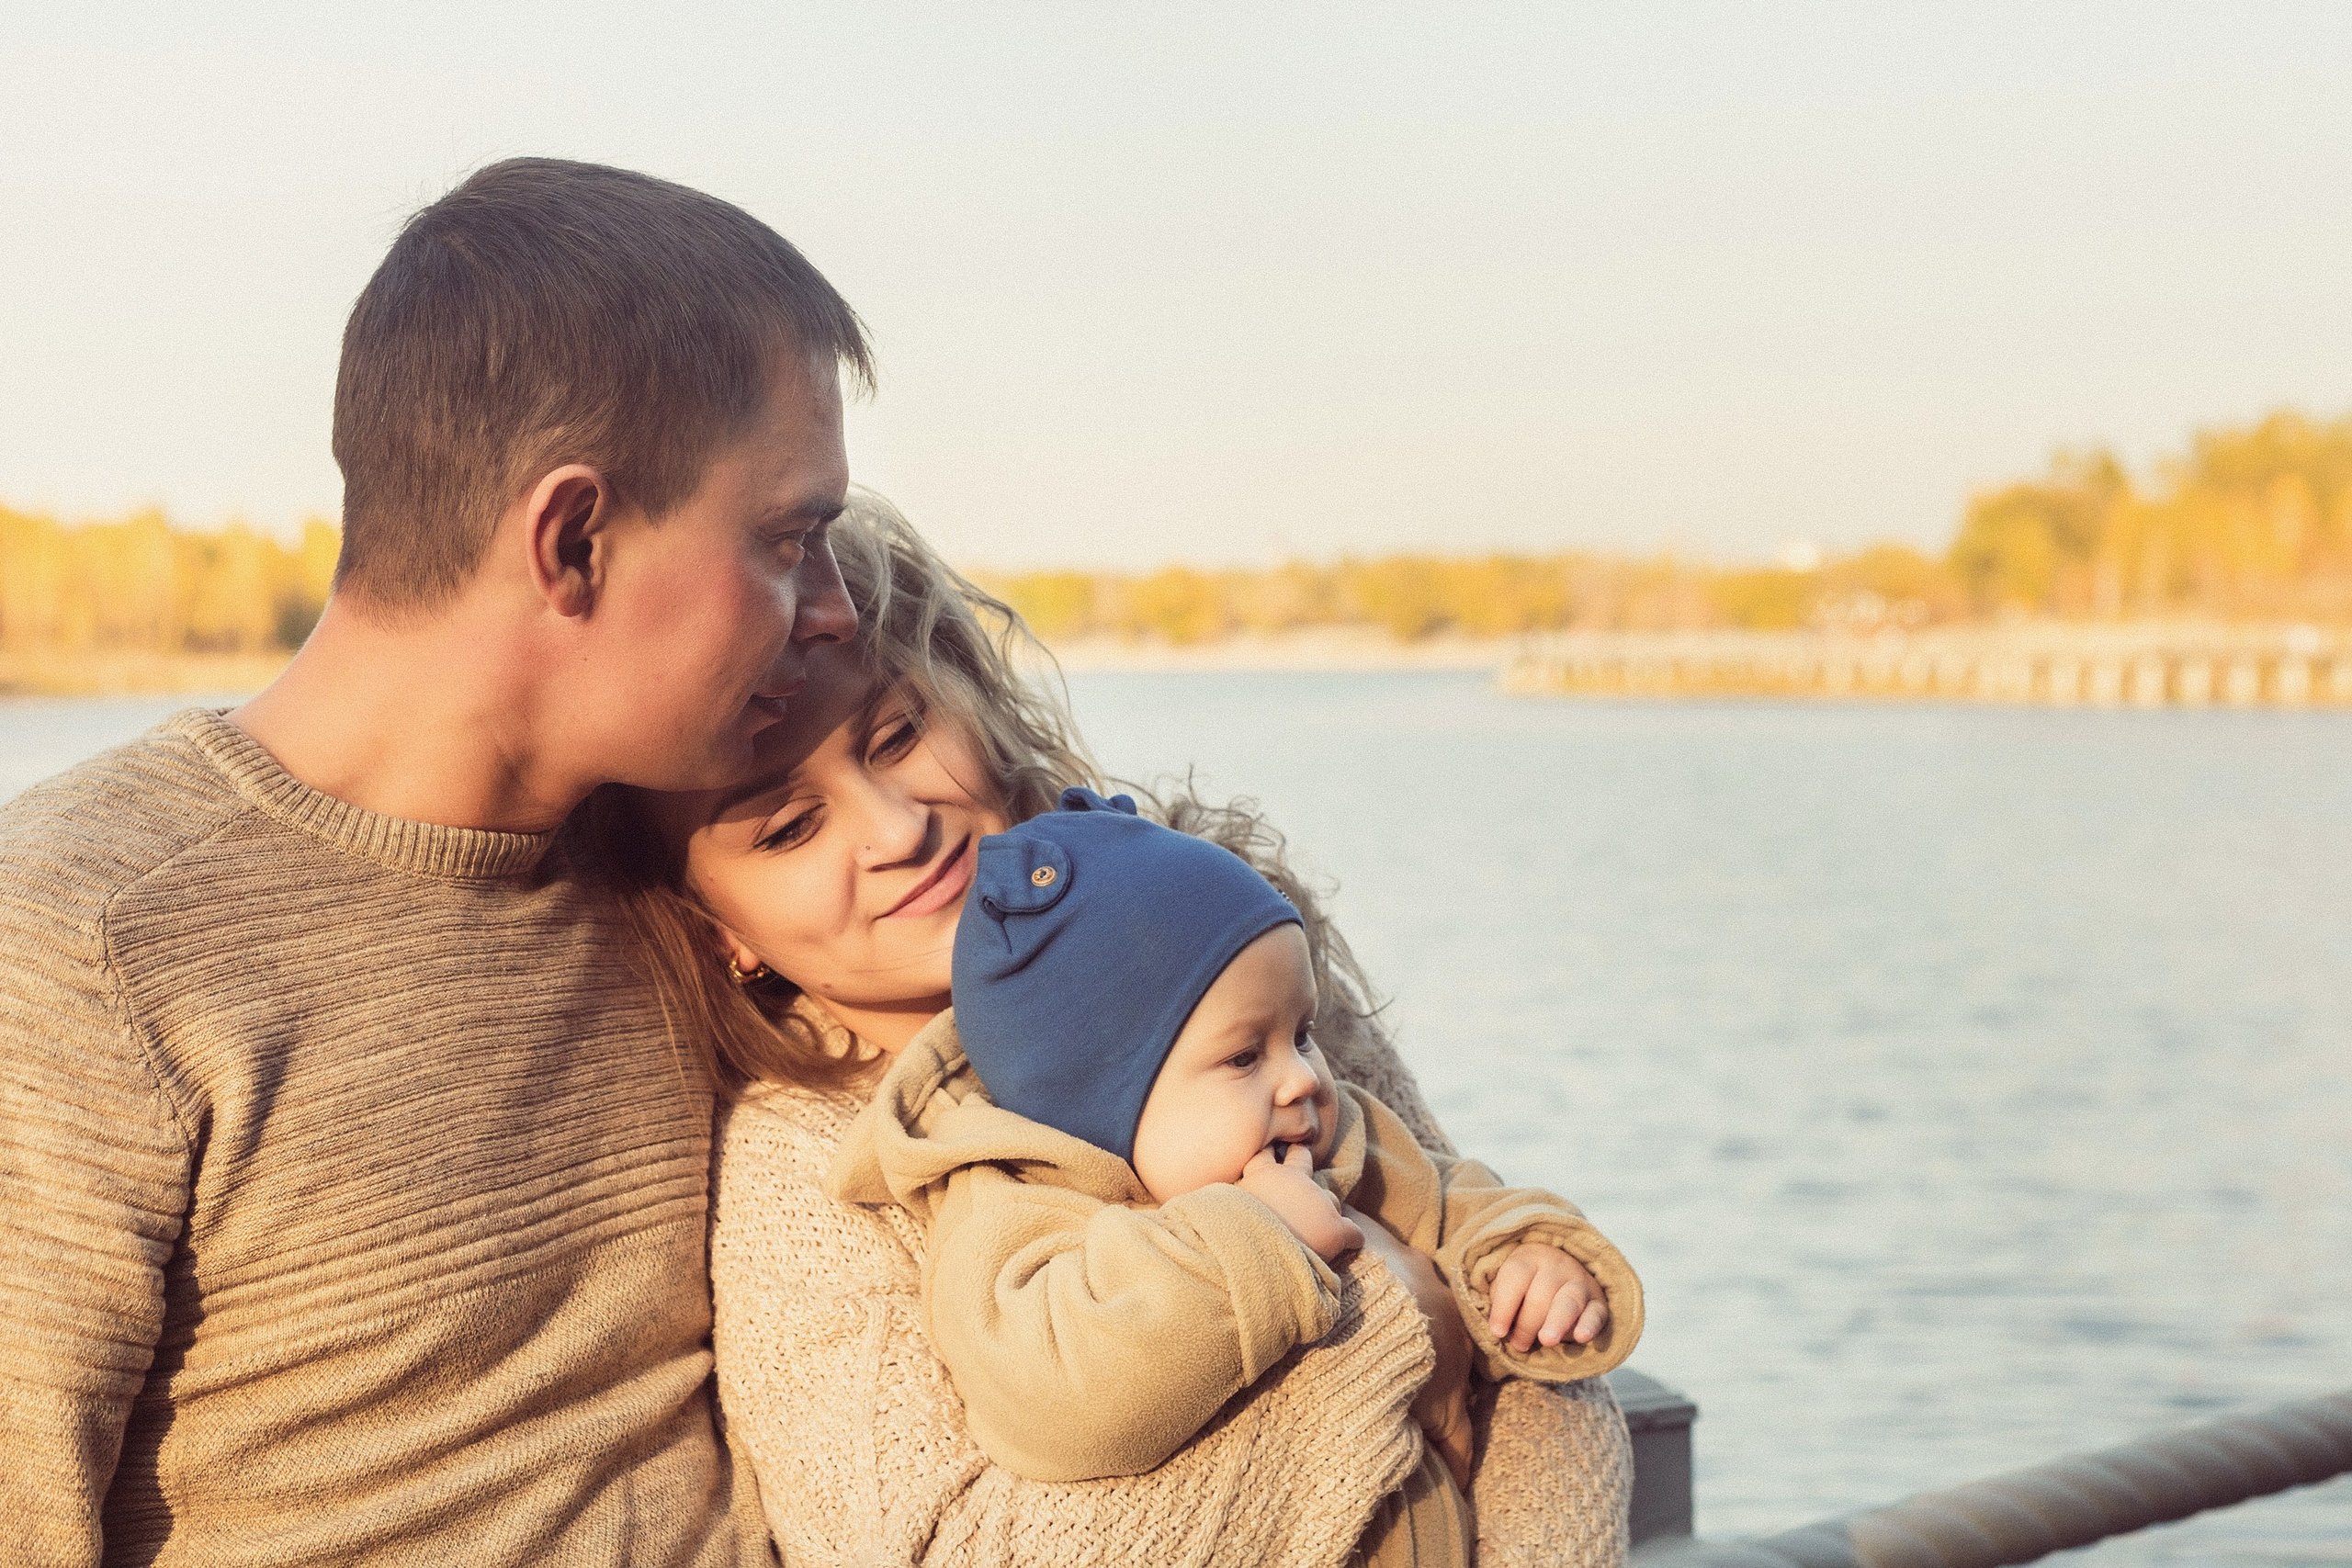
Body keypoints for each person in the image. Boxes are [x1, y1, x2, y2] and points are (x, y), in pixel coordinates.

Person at [0, 158, 865, 1565]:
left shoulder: (697, 860)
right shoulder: (82, 945)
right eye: (790, 538)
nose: (831, 611)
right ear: (572, 539)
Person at [587, 495, 1637, 1567]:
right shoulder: (806, 1180)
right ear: (723, 930)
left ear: (967, 698)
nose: (900, 828)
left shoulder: (1227, 940)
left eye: (899, 735)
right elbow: (955, 1554)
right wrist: (1393, 1315)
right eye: (791, 828)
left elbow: (1539, 1353)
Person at [831, 787, 1646, 1564]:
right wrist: (1257, 1238)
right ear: (1098, 1097)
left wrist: (1530, 1259)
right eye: (1244, 1054)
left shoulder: (1334, 1142)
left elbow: (1454, 1201)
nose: (1303, 1079)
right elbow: (1056, 1395)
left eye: (1304, 1032)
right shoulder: (1018, 1214)